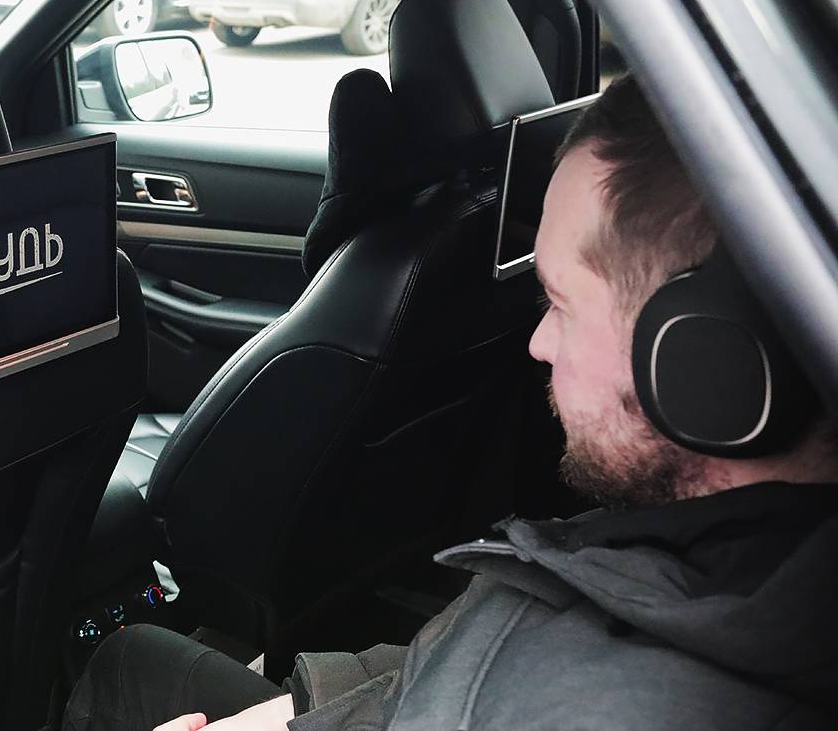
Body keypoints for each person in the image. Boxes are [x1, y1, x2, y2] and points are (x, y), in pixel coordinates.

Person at [61, 74, 838, 731]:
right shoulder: (762, 567)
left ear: (704, 358)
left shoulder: (582, 699)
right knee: (136, 658)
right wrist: (309, 704)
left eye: (561, 304)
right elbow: (444, 674)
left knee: (122, 666)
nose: (539, 343)